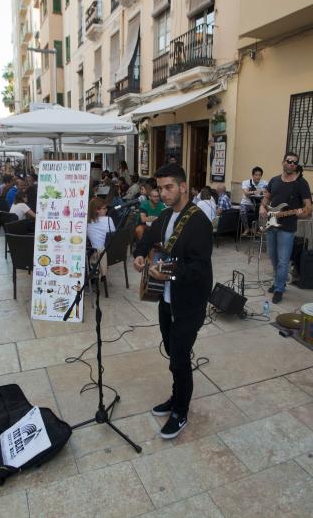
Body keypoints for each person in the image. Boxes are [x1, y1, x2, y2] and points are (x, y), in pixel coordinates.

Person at [133, 164, 213, 439]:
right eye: (160, 187)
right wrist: (140, 254)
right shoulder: (166, 217)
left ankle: (180, 411)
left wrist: (169, 272)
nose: (163, 193)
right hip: (165, 300)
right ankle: (176, 395)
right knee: (171, 350)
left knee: (180, 357)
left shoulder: (199, 222)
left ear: (182, 186)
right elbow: (149, 238)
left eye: (169, 187)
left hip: (189, 303)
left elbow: (199, 269)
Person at [259, 153, 312, 304]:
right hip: (271, 224)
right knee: (273, 257)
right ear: (283, 162)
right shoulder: (274, 180)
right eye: (289, 161)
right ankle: (278, 282)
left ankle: (279, 289)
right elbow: (266, 198)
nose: (291, 164)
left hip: (287, 228)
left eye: (295, 163)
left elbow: (308, 207)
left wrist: (303, 213)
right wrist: (262, 208)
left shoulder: (301, 183)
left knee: (283, 260)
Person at [86, 197, 115, 282]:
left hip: (97, 253)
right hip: (111, 253)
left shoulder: (87, 222)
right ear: (96, 210)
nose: (106, 210)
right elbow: (113, 234)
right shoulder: (108, 219)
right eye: (104, 208)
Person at [241, 166, 267, 236]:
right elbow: (246, 193)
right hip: (246, 203)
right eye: (256, 175)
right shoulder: (246, 182)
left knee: (263, 210)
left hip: (257, 203)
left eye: (259, 175)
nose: (258, 177)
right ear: (252, 175)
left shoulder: (264, 183)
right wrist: (257, 191)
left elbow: (267, 193)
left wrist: (252, 192)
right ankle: (246, 228)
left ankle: (257, 228)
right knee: (242, 211)